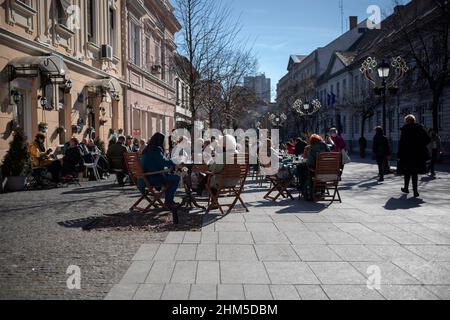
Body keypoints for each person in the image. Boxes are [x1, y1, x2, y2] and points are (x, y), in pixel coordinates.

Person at [139, 133, 180, 210]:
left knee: (171, 178)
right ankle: (169, 202)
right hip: (152, 178)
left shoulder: (147, 149)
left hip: (142, 179)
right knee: (175, 178)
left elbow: (156, 163)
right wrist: (175, 160)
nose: (165, 143)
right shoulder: (156, 149)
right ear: (160, 141)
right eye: (164, 141)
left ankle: (169, 201)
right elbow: (164, 162)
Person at [397, 115, 431, 198]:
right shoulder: (420, 128)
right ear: (414, 120)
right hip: (418, 154)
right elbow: (428, 139)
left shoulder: (405, 129)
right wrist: (420, 145)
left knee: (407, 172)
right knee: (414, 173)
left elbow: (401, 144)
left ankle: (406, 188)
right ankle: (415, 191)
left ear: (407, 121)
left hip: (407, 154)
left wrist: (399, 155)